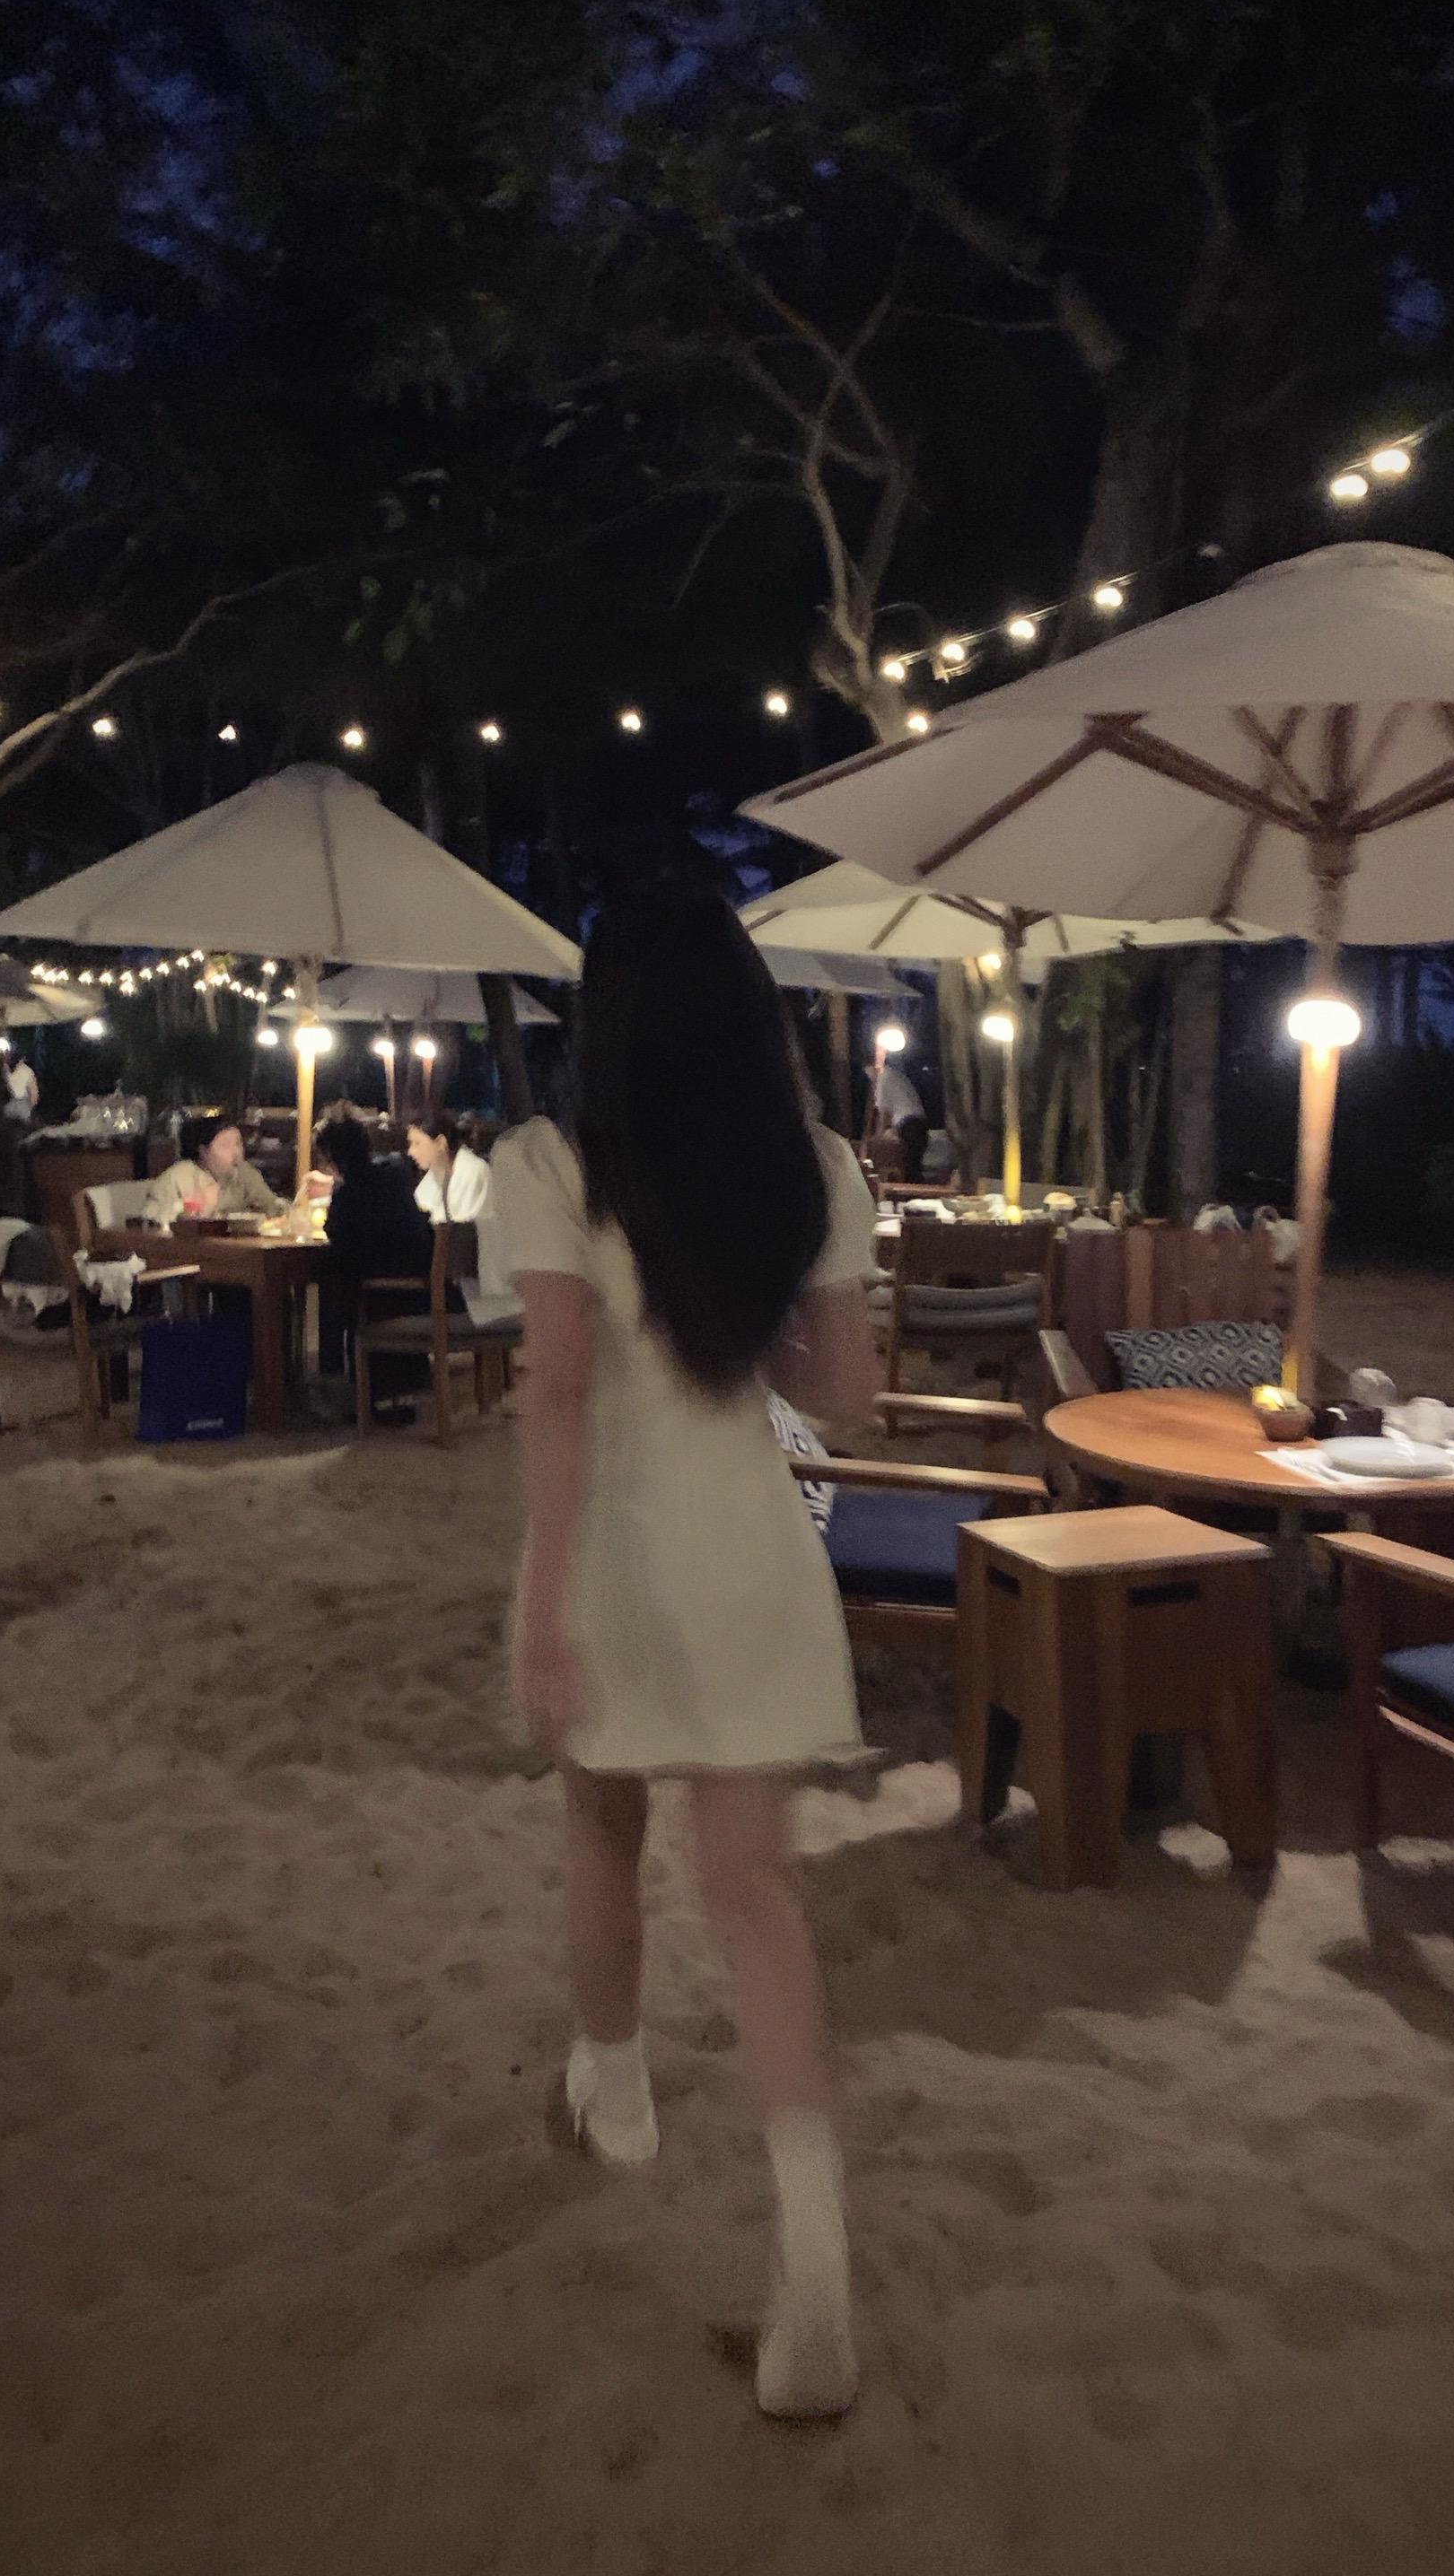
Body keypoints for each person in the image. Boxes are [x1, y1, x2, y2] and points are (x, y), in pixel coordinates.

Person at [496, 881, 879, 2423]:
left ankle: (620, 2090)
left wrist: (540, 1604)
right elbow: (842, 1396)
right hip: (759, 1559)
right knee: (757, 1896)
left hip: (620, 1558)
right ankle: (817, 2272)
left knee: (602, 1825)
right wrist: (744, 1300)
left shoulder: (547, 1167)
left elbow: (560, 1387)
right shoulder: (817, 1170)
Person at [311, 1112, 434, 1384]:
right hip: (419, 1290)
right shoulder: (395, 1177)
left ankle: (331, 1371)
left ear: (332, 1157)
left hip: (381, 1295)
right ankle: (334, 1373)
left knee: (331, 1275)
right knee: (337, 1274)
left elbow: (338, 1237)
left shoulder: (351, 1191)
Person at [407, 1111, 518, 1323]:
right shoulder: (436, 1174)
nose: (411, 1151)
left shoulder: (474, 1171)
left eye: (417, 1143)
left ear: (440, 1143)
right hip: (449, 1276)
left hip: (474, 1282)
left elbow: (458, 1238)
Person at [146, 1113, 286, 1227]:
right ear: (203, 1151)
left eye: (238, 1144)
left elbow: (274, 1207)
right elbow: (151, 1222)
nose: (236, 1153)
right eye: (225, 1145)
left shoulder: (244, 1173)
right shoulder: (178, 1177)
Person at [866, 1038, 927, 1182]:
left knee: (908, 1167)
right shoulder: (893, 1075)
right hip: (918, 1123)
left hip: (909, 1125)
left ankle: (908, 1192)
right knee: (912, 1167)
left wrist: (878, 1139)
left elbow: (884, 1114)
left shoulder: (883, 1078)